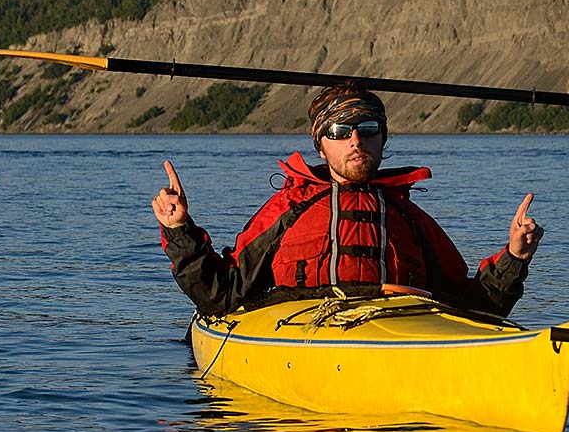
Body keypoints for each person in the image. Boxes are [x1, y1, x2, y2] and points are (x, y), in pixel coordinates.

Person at [153, 82, 543, 317]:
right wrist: (179, 230)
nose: (355, 141)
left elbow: (475, 306)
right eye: (340, 131)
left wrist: (514, 257)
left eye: (367, 128)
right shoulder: (290, 209)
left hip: (396, 330)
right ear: (320, 146)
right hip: (303, 332)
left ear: (383, 139)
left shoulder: (408, 218)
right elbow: (221, 294)